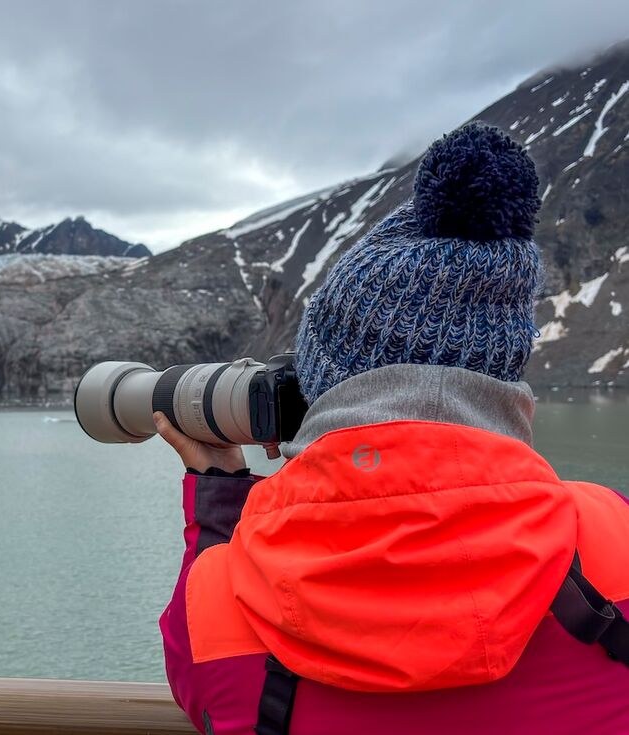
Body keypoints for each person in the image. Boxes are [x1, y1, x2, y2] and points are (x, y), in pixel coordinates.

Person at [155, 123, 629, 735]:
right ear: (505, 379)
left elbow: (204, 687)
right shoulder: (613, 537)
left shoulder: (215, 605)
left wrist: (218, 500)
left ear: (323, 383)